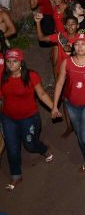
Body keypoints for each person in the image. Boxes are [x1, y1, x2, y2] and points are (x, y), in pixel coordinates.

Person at [0, 49, 54, 191]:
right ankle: (16, 175)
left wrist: (53, 108)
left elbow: (41, 94)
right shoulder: (3, 77)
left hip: (29, 118)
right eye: (8, 61)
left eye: (14, 61)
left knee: (30, 145)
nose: (11, 64)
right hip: (8, 118)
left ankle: (44, 149)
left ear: (21, 63)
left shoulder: (31, 76)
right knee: (12, 147)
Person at [51, 34, 85, 172]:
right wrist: (54, 106)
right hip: (71, 103)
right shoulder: (67, 62)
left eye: (83, 44)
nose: (80, 47)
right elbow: (60, 83)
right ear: (73, 46)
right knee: (80, 134)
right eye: (77, 44)